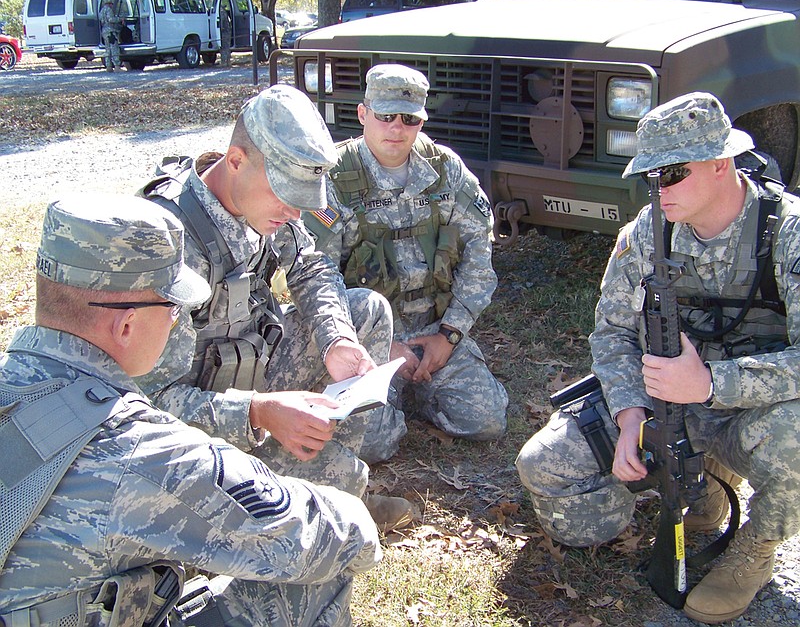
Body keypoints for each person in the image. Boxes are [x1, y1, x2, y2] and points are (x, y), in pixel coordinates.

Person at [0, 195, 381, 626]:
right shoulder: (139, 451)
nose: (178, 319)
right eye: (173, 307)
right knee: (312, 577)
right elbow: (332, 535)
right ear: (126, 325)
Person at [515, 92, 800, 624]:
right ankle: (700, 492)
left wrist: (713, 382)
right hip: (661, 402)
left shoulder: (788, 234)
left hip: (750, 409)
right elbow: (612, 333)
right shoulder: (646, 233)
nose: (657, 190)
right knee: (543, 467)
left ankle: (756, 548)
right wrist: (629, 416)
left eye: (671, 174)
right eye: (649, 175)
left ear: (720, 165)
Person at [136, 84, 415, 531]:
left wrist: (335, 339)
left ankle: (332, 480)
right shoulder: (167, 245)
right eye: (285, 196)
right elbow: (151, 407)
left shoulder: (258, 201)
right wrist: (259, 413)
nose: (293, 212)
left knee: (365, 312)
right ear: (235, 162)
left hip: (254, 366)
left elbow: (309, 266)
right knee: (285, 504)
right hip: (194, 428)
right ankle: (323, 490)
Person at [304, 63, 508, 462]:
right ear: (363, 114)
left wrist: (449, 336)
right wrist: (382, 346)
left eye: (409, 119)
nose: (396, 128)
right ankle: (398, 396)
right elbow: (316, 277)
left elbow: (479, 256)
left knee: (486, 421)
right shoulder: (332, 180)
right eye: (384, 116)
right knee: (376, 447)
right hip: (370, 340)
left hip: (436, 329)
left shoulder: (446, 171)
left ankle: (419, 388)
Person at [99, 0, 123, 73]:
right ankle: (117, 66)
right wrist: (119, 19)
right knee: (114, 48)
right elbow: (111, 19)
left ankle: (108, 66)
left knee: (107, 49)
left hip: (104, 31)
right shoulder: (108, 10)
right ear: (109, 4)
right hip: (110, 31)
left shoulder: (102, 11)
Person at [219, 0, 232, 68]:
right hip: (227, 32)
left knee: (224, 48)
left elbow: (221, 24)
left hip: (224, 32)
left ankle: (224, 62)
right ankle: (228, 62)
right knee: (227, 47)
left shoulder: (221, 13)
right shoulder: (225, 13)